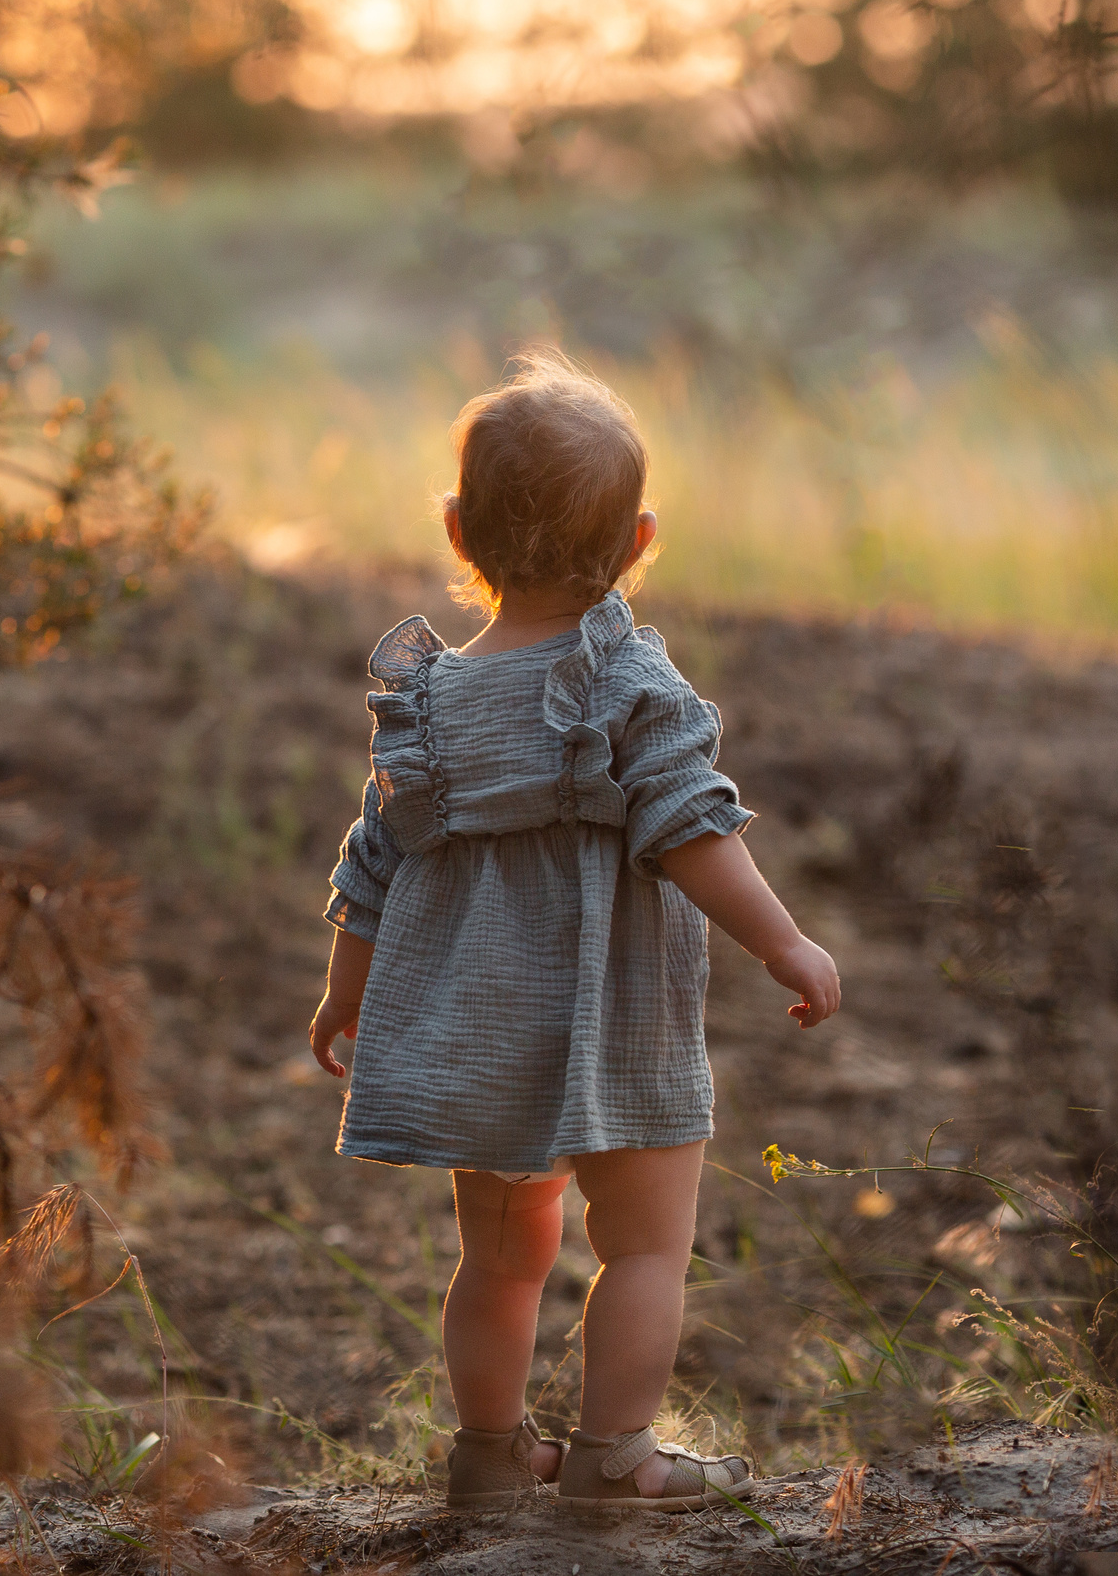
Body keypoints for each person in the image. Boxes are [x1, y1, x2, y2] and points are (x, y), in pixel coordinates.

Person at [306, 355, 841, 1512]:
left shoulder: (426, 703)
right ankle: (614, 1456)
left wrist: (343, 994)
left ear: (457, 531)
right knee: (642, 1249)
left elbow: (375, 866)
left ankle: (490, 1456)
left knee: (498, 1258)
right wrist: (782, 942)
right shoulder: (623, 676)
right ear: (640, 540)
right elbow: (693, 829)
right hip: (618, 1025)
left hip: (482, 1025)